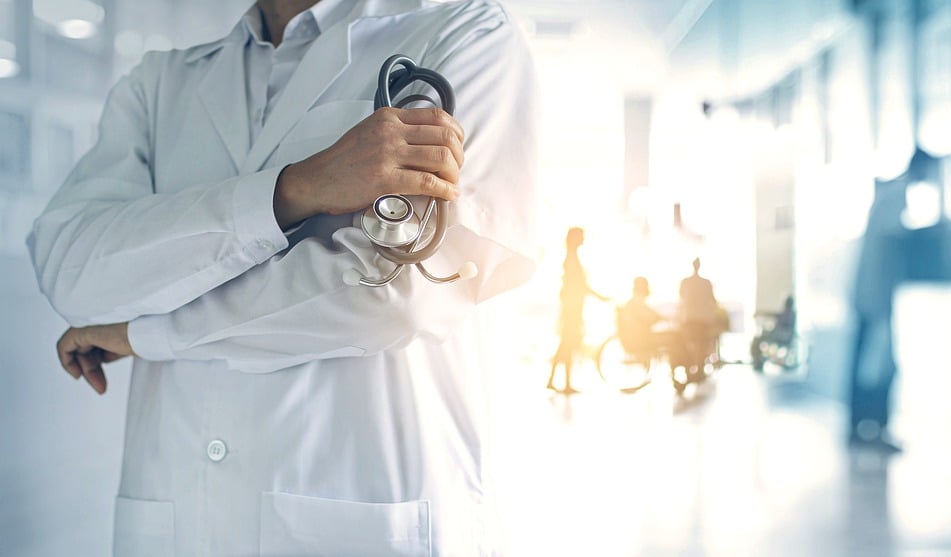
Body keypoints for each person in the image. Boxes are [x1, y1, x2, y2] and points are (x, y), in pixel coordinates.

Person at [27, 1, 538, 555]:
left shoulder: (466, 32)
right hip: (176, 519)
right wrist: (294, 190)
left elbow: (397, 294)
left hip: (364, 515)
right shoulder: (160, 82)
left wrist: (144, 333)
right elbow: (71, 269)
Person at [848, 147, 937, 453]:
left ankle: (862, 429)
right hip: (876, 295)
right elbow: (895, 236)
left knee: (866, 362)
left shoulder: (888, 192)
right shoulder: (897, 195)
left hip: (869, 292)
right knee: (878, 365)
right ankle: (873, 429)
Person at [547, 227, 606, 394]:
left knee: (565, 346)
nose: (584, 239)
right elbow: (579, 286)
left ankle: (554, 380)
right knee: (568, 345)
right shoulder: (571, 259)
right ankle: (564, 383)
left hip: (571, 309)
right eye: (582, 236)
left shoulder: (571, 258)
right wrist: (600, 297)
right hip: (572, 311)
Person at [676, 258, 720, 379]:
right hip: (703, 319)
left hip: (689, 318)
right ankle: (699, 369)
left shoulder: (685, 282)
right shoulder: (706, 283)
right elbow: (712, 300)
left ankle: (691, 367)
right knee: (701, 344)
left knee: (691, 343)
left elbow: (681, 298)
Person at [617, 276, 663, 358]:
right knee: (674, 339)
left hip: (635, 338)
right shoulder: (637, 303)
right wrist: (660, 318)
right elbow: (650, 316)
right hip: (641, 339)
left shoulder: (632, 303)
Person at [751, 295, 796, 371]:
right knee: (761, 337)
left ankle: (757, 360)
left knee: (758, 339)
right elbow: (775, 315)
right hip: (781, 336)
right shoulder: (790, 314)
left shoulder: (788, 314)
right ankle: (758, 360)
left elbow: (775, 316)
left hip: (780, 336)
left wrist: (760, 313)